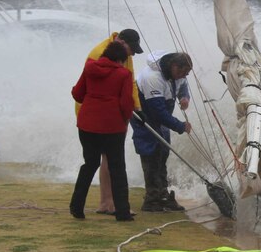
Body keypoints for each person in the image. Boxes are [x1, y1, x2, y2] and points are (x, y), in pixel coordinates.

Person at [77, 28, 143, 215]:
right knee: (111, 162)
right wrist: (127, 114)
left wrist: (138, 107)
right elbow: (121, 92)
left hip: (93, 118)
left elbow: (131, 84)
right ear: (122, 43)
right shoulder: (98, 54)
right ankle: (111, 204)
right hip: (106, 119)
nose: (132, 54)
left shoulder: (121, 55)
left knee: (99, 162)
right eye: (132, 49)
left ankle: (105, 203)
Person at [131, 50, 193, 212]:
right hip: (146, 117)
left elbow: (183, 84)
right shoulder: (153, 78)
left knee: (163, 153)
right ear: (174, 66)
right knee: (151, 154)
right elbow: (157, 112)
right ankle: (152, 199)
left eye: (187, 73)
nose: (184, 76)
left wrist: (184, 97)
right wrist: (180, 126)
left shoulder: (178, 73)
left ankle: (163, 195)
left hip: (162, 116)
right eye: (182, 72)